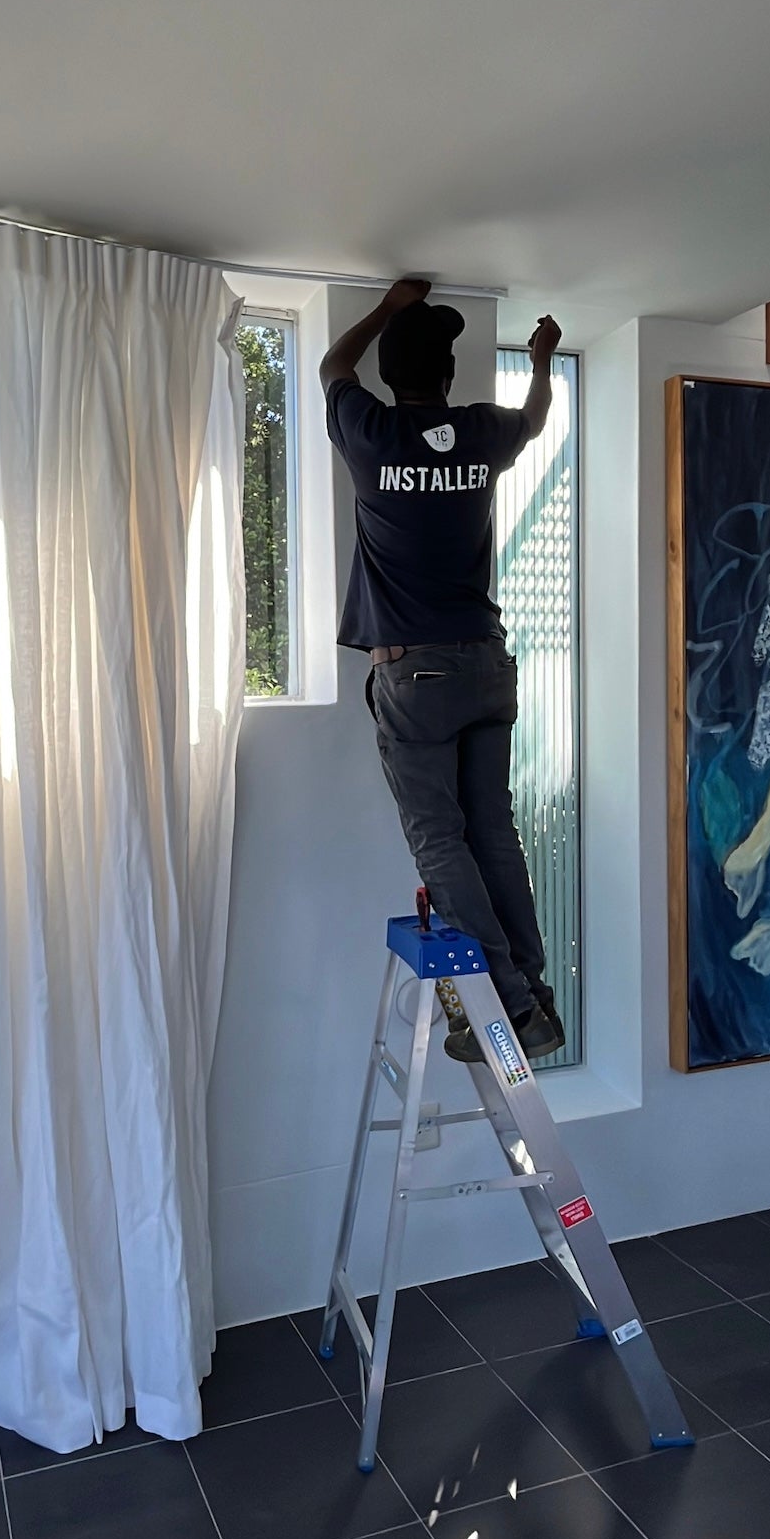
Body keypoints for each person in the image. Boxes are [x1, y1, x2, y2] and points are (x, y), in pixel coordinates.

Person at [320, 275, 565, 1061]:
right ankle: (534, 994)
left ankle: (513, 1006)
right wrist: (540, 361)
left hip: (417, 677)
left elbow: (332, 366)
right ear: (449, 374)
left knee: (439, 838)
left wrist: (386, 308)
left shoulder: (371, 433)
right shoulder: (482, 432)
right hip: (486, 661)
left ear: (391, 376)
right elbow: (536, 415)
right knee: (493, 830)